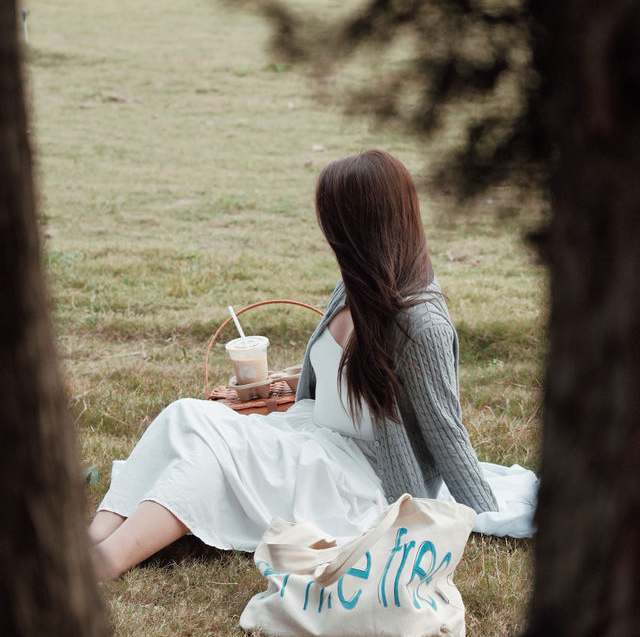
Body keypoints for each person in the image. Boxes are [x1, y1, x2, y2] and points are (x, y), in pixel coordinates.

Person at [89, 150, 499, 581]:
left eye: (334, 220)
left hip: (357, 481)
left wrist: (486, 515)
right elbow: (339, 378)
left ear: (362, 225)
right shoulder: (354, 283)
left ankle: (104, 562)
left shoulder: (420, 324)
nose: (327, 232)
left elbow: (445, 428)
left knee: (213, 459)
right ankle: (94, 536)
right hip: (310, 437)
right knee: (183, 417)